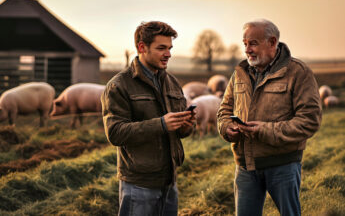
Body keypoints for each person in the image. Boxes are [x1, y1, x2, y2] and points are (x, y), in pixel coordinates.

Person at [217, 19, 322, 216]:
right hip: (245, 166)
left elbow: (310, 120)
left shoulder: (298, 72)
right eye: (245, 43)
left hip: (283, 166)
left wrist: (264, 130)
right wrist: (226, 128)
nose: (247, 49)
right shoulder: (239, 74)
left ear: (272, 42)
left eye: (253, 43)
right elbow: (223, 110)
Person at [102, 21, 195, 216]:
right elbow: (115, 133)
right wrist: (161, 124)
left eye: (169, 48)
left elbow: (179, 131)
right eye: (161, 48)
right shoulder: (119, 85)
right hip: (139, 184)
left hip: (170, 181)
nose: (168, 53)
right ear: (142, 47)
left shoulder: (172, 82)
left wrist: (185, 126)